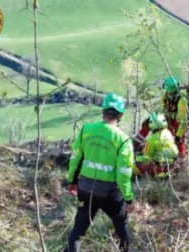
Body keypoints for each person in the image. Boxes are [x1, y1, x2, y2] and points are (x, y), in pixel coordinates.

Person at [63, 93, 135, 252]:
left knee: (79, 228)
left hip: (85, 188)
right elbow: (123, 175)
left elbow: (75, 159)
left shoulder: (86, 130)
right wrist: (128, 199)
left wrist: (73, 182)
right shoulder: (123, 140)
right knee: (121, 225)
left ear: (103, 110)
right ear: (120, 114)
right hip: (110, 193)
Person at [133, 76, 188, 157]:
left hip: (178, 122)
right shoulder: (165, 95)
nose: (169, 93)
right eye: (168, 91)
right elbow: (160, 108)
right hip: (167, 118)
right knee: (147, 125)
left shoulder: (181, 100)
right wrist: (150, 118)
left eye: (170, 92)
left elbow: (183, 121)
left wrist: (179, 135)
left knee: (179, 141)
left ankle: (182, 160)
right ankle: (135, 145)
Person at [135, 112, 179, 176]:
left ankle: (140, 173)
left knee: (139, 159)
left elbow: (147, 156)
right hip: (173, 164)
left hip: (160, 168)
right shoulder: (168, 132)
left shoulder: (151, 139)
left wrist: (137, 158)